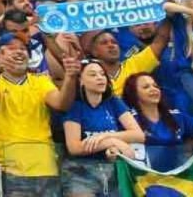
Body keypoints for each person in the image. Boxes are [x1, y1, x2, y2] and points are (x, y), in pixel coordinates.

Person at [0, 33, 80, 197]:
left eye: (23, 49)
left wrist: (70, 77)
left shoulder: (40, 81)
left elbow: (62, 104)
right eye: (12, 48)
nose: (19, 52)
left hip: (46, 168)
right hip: (8, 170)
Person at [59, 60, 144, 197]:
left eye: (102, 74)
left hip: (112, 170)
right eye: (93, 75)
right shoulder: (74, 106)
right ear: (81, 81)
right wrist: (111, 142)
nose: (100, 78)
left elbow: (138, 135)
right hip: (80, 172)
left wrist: (106, 138)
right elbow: (74, 147)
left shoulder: (114, 102)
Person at [122, 72, 193, 171]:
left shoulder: (176, 116)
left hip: (179, 180)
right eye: (146, 87)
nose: (153, 89)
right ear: (134, 93)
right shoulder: (129, 120)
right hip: (143, 180)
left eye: (155, 86)